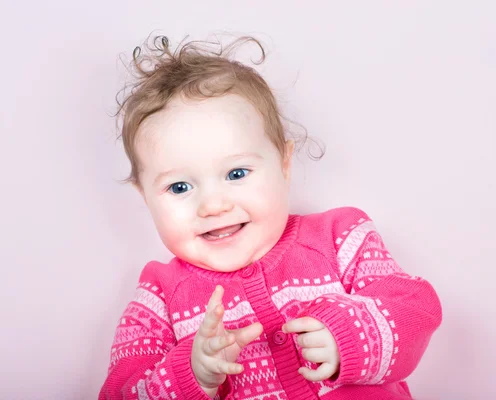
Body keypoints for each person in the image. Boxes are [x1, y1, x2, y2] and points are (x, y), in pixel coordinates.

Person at [99, 34, 442, 400]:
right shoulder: (159, 295)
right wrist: (192, 374)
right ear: (145, 196)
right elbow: (121, 391)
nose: (213, 206)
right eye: (180, 187)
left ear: (284, 163)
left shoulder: (342, 238)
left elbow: (414, 306)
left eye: (236, 174)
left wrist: (347, 334)